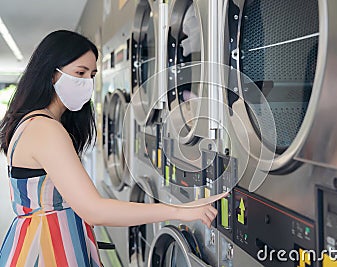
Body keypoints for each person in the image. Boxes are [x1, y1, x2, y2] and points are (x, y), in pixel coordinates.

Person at [0, 30, 222, 266]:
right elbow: (94, 210)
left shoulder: (34, 123)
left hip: (42, 242)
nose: (87, 83)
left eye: (92, 75)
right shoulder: (45, 129)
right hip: (49, 250)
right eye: (79, 73)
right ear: (51, 73)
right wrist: (179, 211)